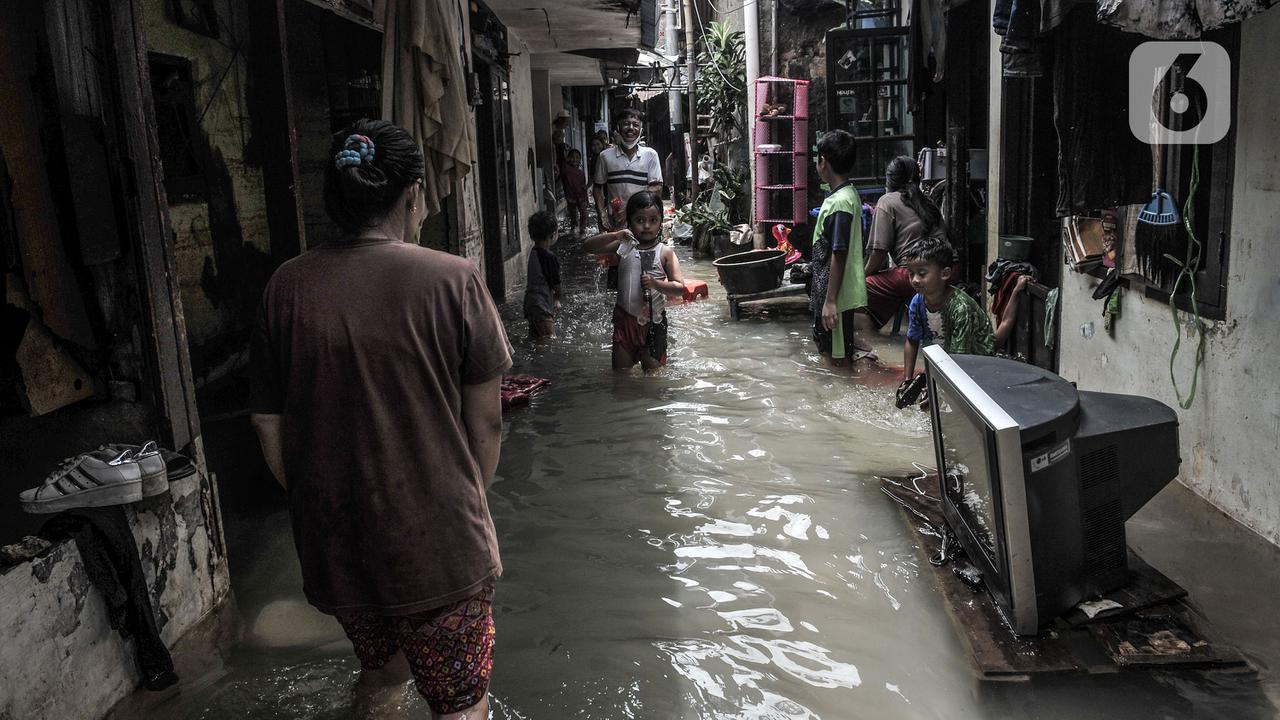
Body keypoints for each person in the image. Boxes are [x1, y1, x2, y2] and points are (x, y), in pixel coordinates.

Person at [249, 120, 511, 720]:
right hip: (438, 545)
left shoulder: (285, 287)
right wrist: (466, 503)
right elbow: (487, 425)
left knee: (382, 674)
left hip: (338, 548)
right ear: (414, 195)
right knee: (460, 703)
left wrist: (328, 503)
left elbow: (268, 425)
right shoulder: (454, 279)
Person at [583, 190, 686, 371]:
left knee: (653, 381)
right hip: (625, 324)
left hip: (654, 325)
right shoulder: (624, 246)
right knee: (620, 379)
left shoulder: (665, 253)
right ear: (629, 222)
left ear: (661, 221)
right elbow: (587, 247)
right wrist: (615, 235)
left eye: (653, 220)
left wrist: (656, 284)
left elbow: (679, 288)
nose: (646, 226)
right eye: (640, 220)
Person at [860, 155, 946, 335]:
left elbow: (878, 253)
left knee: (861, 288)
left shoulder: (887, 201)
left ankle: (871, 341)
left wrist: (860, 277)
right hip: (949, 271)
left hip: (918, 273)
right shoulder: (927, 202)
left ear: (889, 180)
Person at [809, 129, 873, 364]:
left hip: (836, 293)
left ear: (823, 161)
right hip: (838, 291)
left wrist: (830, 300)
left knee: (836, 361)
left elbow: (839, 251)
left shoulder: (839, 203)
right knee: (837, 351)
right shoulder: (848, 194)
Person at [900, 236, 995, 383]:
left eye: (922, 273)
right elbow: (912, 341)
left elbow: (959, 357)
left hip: (976, 365)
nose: (915, 280)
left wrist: (939, 390)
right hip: (946, 357)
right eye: (911, 273)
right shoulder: (917, 302)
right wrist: (907, 379)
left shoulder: (960, 308)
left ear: (945, 274)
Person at [592, 108, 663, 231]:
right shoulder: (605, 156)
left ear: (641, 129)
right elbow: (598, 187)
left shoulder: (650, 155)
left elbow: (656, 188)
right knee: (614, 250)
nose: (631, 128)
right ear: (618, 127)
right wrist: (601, 213)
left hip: (642, 222)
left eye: (635, 125)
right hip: (614, 220)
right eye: (626, 124)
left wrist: (629, 210)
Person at [524, 210, 562, 340]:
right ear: (552, 235)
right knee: (549, 339)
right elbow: (556, 282)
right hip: (542, 306)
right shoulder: (549, 257)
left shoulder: (533, 252)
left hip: (530, 304)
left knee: (536, 338)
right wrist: (558, 296)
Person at [562, 148, 589, 235]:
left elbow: (583, 186)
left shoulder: (581, 173)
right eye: (572, 157)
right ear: (568, 158)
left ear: (580, 160)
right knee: (573, 215)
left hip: (581, 197)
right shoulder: (566, 169)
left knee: (583, 214)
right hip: (571, 197)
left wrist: (586, 198)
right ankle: (573, 228)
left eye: (577, 158)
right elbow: (563, 163)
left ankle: (583, 229)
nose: (575, 159)